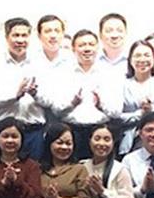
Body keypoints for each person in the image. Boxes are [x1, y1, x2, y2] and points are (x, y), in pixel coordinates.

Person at [48, 30, 117, 160]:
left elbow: (116, 112)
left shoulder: (110, 73)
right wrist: (72, 104)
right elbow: (55, 110)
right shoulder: (61, 73)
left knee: (99, 171)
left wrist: (101, 106)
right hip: (71, 133)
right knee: (72, 170)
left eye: (91, 44)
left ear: (97, 47)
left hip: (100, 133)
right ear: (73, 49)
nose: (87, 49)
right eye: (82, 45)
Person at [0, 18, 47, 162]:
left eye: (24, 35)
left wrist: (36, 95)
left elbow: (50, 100)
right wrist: (15, 96)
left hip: (33, 132)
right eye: (16, 35)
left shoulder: (40, 63)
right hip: (2, 133)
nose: (20, 40)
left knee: (33, 173)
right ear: (7, 37)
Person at [117, 40, 154, 155]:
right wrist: (140, 114)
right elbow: (116, 118)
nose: (142, 59)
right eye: (138, 55)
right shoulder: (122, 85)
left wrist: (153, 110)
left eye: (146, 55)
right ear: (130, 60)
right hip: (130, 143)